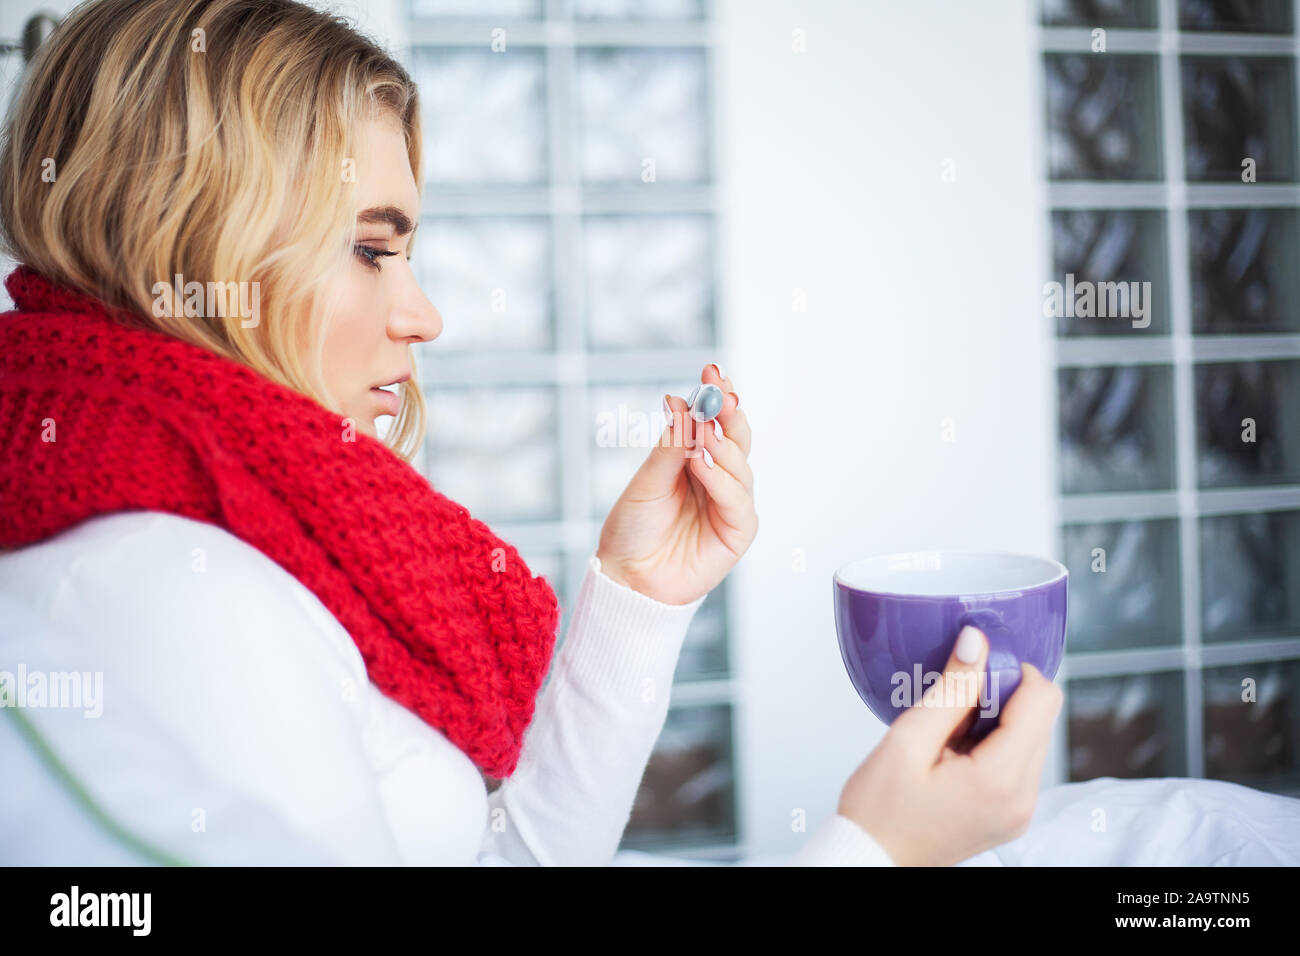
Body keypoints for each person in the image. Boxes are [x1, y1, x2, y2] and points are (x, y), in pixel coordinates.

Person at [0, 0, 1059, 867]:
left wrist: (639, 593)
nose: (424, 315)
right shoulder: (167, 590)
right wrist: (880, 849)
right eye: (372, 249)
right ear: (195, 243)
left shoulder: (217, 527)